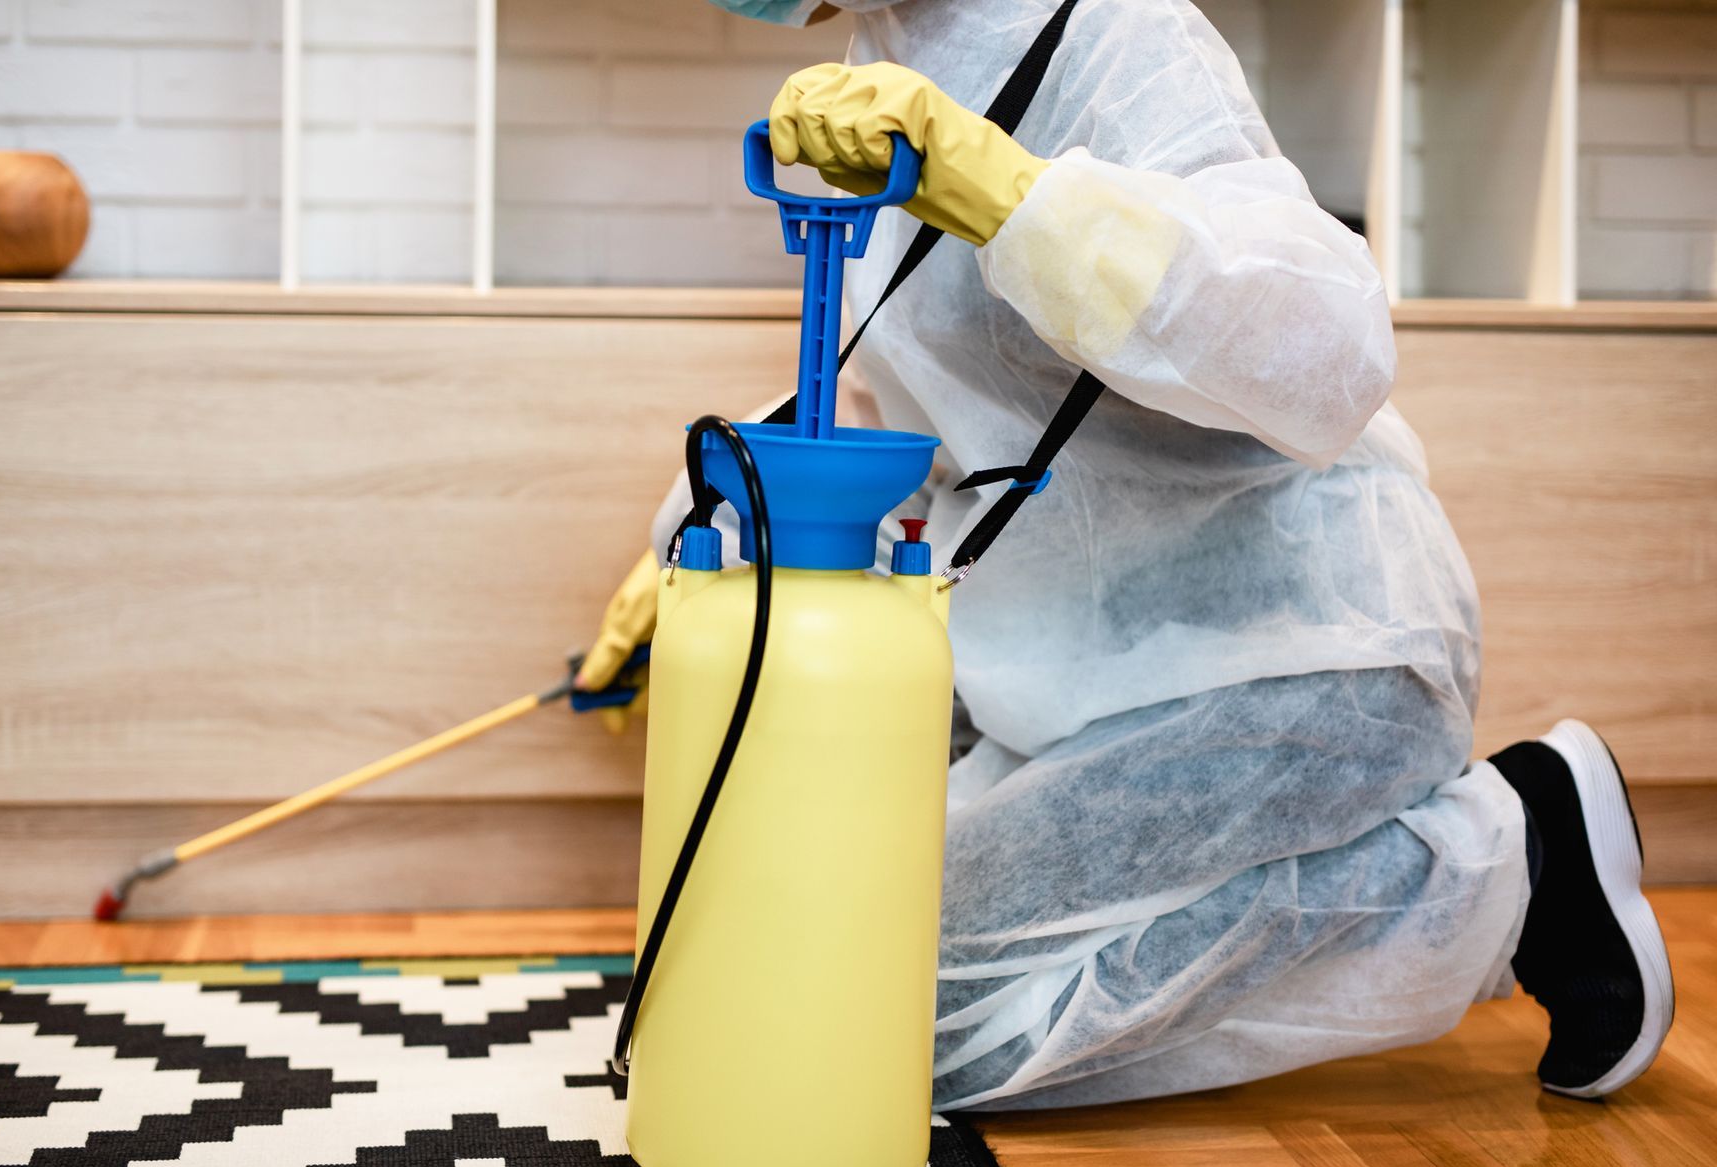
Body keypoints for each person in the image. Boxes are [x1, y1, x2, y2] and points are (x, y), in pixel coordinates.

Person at [578, 0, 1674, 1107]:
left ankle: (1517, 858)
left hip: (1290, 655)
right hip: (1069, 674)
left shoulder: (1118, 34)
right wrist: (714, 528)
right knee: (824, 961)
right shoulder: (889, 52)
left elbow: (1328, 355)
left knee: (895, 1020)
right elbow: (920, 399)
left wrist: (1011, 195)